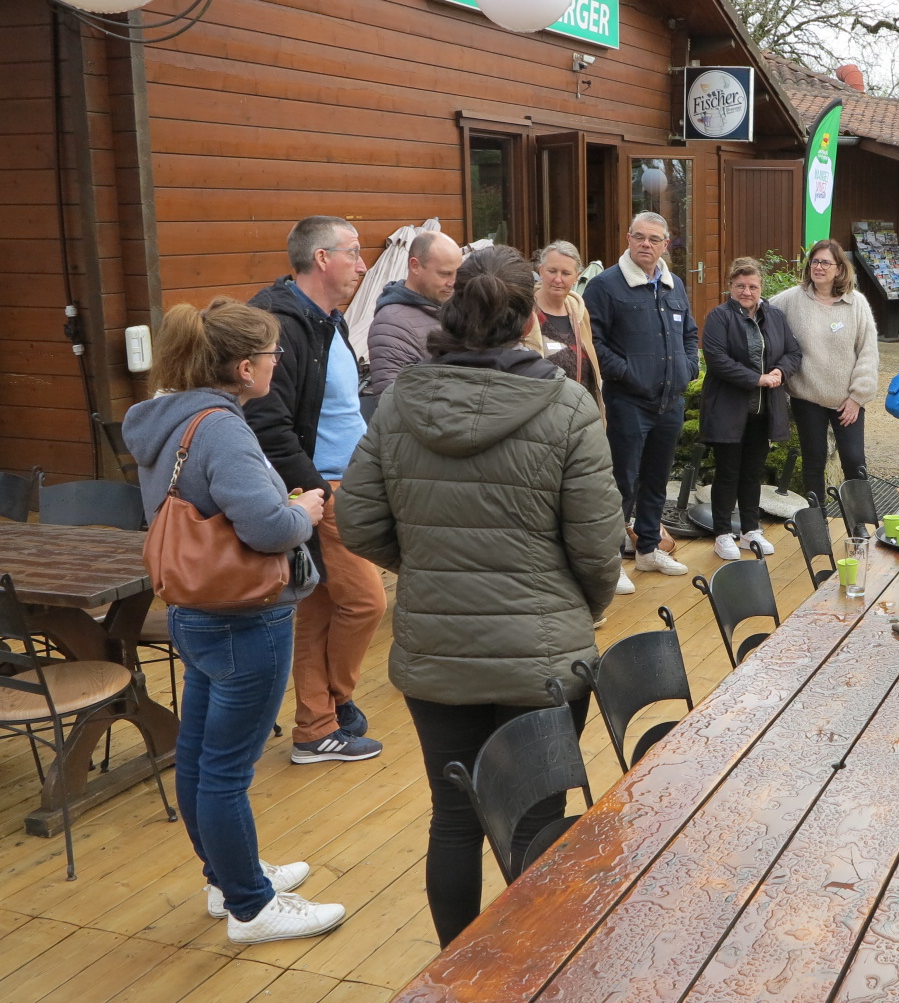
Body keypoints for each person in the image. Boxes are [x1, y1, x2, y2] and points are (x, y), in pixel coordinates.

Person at [337, 247, 623, 948]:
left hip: (440, 649)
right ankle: (529, 986)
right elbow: (597, 545)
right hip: (544, 652)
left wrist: (432, 566)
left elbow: (359, 522)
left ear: (453, 306)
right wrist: (579, 608)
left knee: (455, 817)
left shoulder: (403, 400)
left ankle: (456, 982)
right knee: (535, 819)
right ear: (529, 318)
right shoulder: (566, 405)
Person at [123, 298, 346, 944]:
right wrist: (303, 506)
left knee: (198, 756)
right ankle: (251, 904)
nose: (280, 363)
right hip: (246, 618)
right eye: (274, 355)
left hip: (194, 610)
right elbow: (270, 527)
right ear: (246, 368)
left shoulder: (165, 419)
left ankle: (228, 877)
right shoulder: (222, 429)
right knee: (225, 770)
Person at [246, 216, 386, 764]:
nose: (364, 264)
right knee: (366, 602)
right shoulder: (280, 325)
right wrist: (315, 491)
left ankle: (316, 726)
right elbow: (268, 422)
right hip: (321, 488)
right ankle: (337, 706)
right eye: (354, 252)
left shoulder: (326, 319)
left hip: (344, 483)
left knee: (325, 608)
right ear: (322, 258)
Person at [583, 212, 699, 589]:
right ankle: (611, 561)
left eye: (654, 239)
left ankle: (648, 550)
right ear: (628, 238)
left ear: (667, 244)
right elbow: (593, 342)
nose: (645, 244)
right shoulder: (605, 286)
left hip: (670, 401)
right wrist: (629, 373)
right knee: (621, 482)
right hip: (627, 403)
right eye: (639, 237)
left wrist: (689, 367)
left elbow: (690, 333)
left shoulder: (673, 285)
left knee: (657, 479)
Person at [700, 257, 802, 560]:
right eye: (740, 285)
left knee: (752, 472)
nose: (747, 291)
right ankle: (721, 533)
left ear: (761, 287)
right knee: (728, 473)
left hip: (763, 411)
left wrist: (779, 373)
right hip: (729, 409)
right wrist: (756, 378)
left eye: (752, 286)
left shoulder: (774, 316)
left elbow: (794, 352)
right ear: (731, 286)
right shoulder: (719, 317)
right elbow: (716, 359)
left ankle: (749, 529)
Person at [769, 238, 879, 507]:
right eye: (815, 261)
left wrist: (857, 397)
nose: (819, 267)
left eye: (826, 262)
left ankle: (861, 523)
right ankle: (816, 522)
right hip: (808, 398)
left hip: (847, 401)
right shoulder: (791, 300)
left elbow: (868, 353)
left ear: (840, 268)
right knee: (814, 460)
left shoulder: (857, 304)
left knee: (855, 461)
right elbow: (760, 310)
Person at [364, 231, 463, 396]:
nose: (453, 283)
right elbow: (392, 399)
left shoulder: (454, 307)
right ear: (415, 266)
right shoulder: (391, 324)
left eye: (457, 273)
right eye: (444, 273)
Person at [526, 240, 601, 404]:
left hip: (578, 413)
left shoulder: (580, 313)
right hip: (540, 413)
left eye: (566, 273)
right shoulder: (524, 312)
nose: (558, 279)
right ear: (540, 271)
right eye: (552, 271)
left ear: (577, 277)